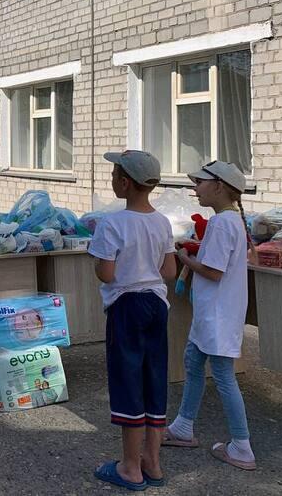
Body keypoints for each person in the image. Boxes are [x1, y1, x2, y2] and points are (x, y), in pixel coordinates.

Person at [89, 150, 177, 491]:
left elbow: (108, 275)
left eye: (113, 175)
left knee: (127, 381)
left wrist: (99, 264)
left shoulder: (111, 223)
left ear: (125, 183)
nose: (111, 180)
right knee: (153, 379)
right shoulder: (162, 221)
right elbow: (169, 271)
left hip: (126, 306)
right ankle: (152, 462)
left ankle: (129, 467)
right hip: (157, 304)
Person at [163, 160, 257, 471]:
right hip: (213, 313)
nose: (195, 188)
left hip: (217, 315)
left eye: (200, 183)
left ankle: (242, 446)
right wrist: (197, 249)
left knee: (224, 378)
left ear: (219, 187)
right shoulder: (229, 222)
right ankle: (182, 427)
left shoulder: (221, 223)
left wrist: (184, 258)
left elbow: (214, 272)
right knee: (192, 363)